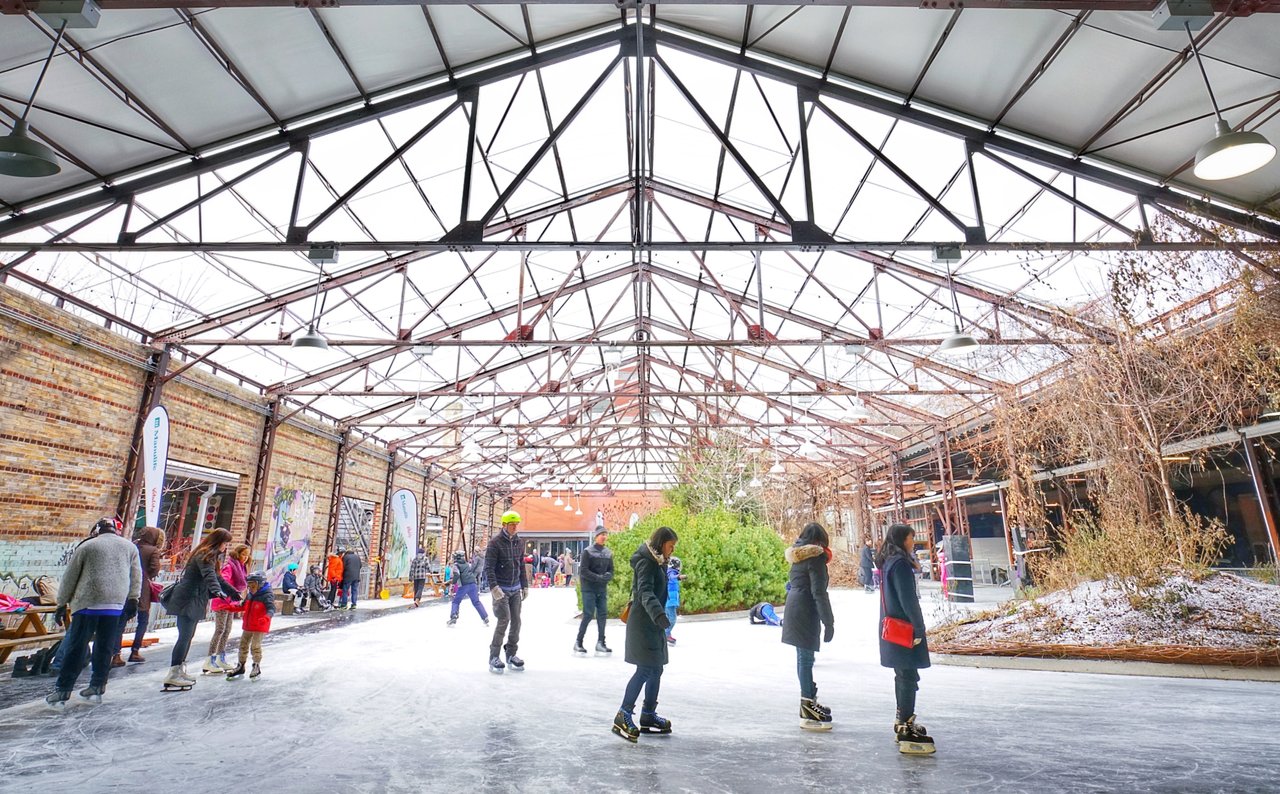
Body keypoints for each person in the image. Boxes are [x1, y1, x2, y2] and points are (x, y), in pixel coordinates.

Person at [45, 518, 142, 709]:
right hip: (115, 605)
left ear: (96, 530)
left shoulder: (88, 546)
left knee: (77, 646)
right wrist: (133, 599)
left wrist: (61, 603)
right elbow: (136, 575)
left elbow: (69, 577)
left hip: (88, 603)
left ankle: (63, 689)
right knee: (105, 647)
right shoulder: (130, 547)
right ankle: (98, 685)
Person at [611, 526, 677, 743]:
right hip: (643, 623)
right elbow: (645, 591)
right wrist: (659, 614)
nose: (672, 550)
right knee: (645, 669)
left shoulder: (658, 561)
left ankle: (648, 715)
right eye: (670, 545)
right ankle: (623, 713)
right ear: (661, 544)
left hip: (653, 623)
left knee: (656, 668)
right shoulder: (646, 561)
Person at [878, 522, 935, 755]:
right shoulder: (900, 564)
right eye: (911, 539)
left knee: (904, 674)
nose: (913, 543)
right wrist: (918, 628)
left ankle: (903, 720)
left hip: (892, 625)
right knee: (907, 675)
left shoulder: (888, 561)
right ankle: (905, 726)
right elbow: (908, 600)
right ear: (902, 540)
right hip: (904, 628)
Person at [160, 528, 239, 691]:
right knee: (185, 637)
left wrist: (232, 592)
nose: (226, 547)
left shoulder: (209, 555)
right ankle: (173, 673)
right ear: (219, 542)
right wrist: (217, 591)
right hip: (188, 599)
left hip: (194, 599)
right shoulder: (206, 555)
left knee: (188, 636)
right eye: (225, 543)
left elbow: (217, 577)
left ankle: (179, 669)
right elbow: (209, 576)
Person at [781, 522, 836, 731]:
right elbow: (819, 592)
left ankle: (809, 699)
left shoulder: (798, 556)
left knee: (804, 657)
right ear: (821, 541)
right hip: (805, 609)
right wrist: (829, 622)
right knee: (805, 658)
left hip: (794, 606)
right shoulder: (816, 558)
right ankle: (807, 708)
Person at [484, 511, 528, 673]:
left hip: (515, 588)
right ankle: (494, 656)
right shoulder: (495, 543)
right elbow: (488, 568)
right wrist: (494, 588)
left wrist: (525, 585)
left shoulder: (519, 542)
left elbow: (521, 565)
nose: (515, 527)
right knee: (504, 620)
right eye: (511, 524)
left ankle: (511, 653)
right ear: (504, 525)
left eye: (516, 524)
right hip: (501, 590)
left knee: (516, 621)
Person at [118, 526, 163, 665]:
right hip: (143, 589)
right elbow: (154, 569)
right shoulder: (153, 550)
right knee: (143, 620)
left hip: (125, 586)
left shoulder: (131, 546)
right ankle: (135, 651)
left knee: (121, 622)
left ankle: (115, 654)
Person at [206, 543, 250, 674]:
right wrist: (229, 595)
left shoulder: (241, 567)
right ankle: (210, 658)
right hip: (222, 601)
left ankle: (221, 656)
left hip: (231, 603)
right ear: (238, 554)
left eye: (247, 555)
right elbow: (223, 582)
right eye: (243, 555)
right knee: (220, 630)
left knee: (227, 630)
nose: (245, 558)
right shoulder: (230, 567)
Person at [226, 571, 274, 680]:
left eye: (253, 585)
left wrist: (266, 617)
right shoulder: (250, 594)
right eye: (249, 585)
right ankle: (241, 665)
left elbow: (271, 609)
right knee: (243, 644)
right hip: (248, 624)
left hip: (260, 625)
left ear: (260, 584)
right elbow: (244, 605)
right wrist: (233, 608)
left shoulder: (267, 595)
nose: (251, 588)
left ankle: (256, 665)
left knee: (255, 646)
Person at [574, 528, 613, 655]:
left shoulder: (608, 552)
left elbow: (611, 570)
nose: (604, 537)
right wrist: (598, 577)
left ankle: (601, 642)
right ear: (596, 536)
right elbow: (583, 571)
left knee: (602, 614)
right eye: (602, 534)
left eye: (605, 534)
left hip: (601, 588)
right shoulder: (588, 551)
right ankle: (578, 642)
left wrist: (608, 576)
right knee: (588, 614)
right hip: (589, 588)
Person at [447, 550, 489, 626]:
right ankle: (485, 617)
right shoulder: (466, 564)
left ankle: (454, 616)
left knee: (456, 601)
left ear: (457, 557)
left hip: (464, 585)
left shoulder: (456, 565)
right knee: (476, 602)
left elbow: (456, 575)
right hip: (473, 584)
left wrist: (452, 585)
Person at [664, 556, 686, 645]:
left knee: (668, 618)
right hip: (669, 600)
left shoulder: (670, 571)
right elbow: (672, 577)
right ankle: (666, 634)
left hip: (670, 599)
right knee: (672, 619)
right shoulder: (670, 572)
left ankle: (666, 634)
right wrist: (679, 577)